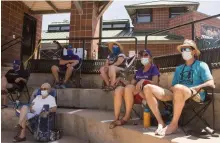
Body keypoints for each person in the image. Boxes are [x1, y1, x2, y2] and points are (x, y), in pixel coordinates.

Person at [143, 39, 215, 136]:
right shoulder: (179, 68)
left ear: (193, 51)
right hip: (177, 93)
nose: (184, 52)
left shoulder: (201, 65)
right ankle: (161, 122)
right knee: (147, 87)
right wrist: (173, 89)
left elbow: (211, 83)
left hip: (194, 94)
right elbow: (173, 86)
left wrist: (196, 88)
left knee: (178, 88)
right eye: (182, 50)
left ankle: (173, 124)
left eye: (186, 49)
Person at [109, 49, 160, 129]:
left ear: (150, 58)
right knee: (118, 90)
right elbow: (131, 84)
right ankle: (116, 119)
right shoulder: (139, 71)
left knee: (129, 88)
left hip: (145, 94)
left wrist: (144, 80)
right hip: (135, 92)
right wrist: (122, 80)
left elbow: (156, 83)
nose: (143, 57)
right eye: (142, 56)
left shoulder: (153, 68)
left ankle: (127, 117)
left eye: (146, 55)